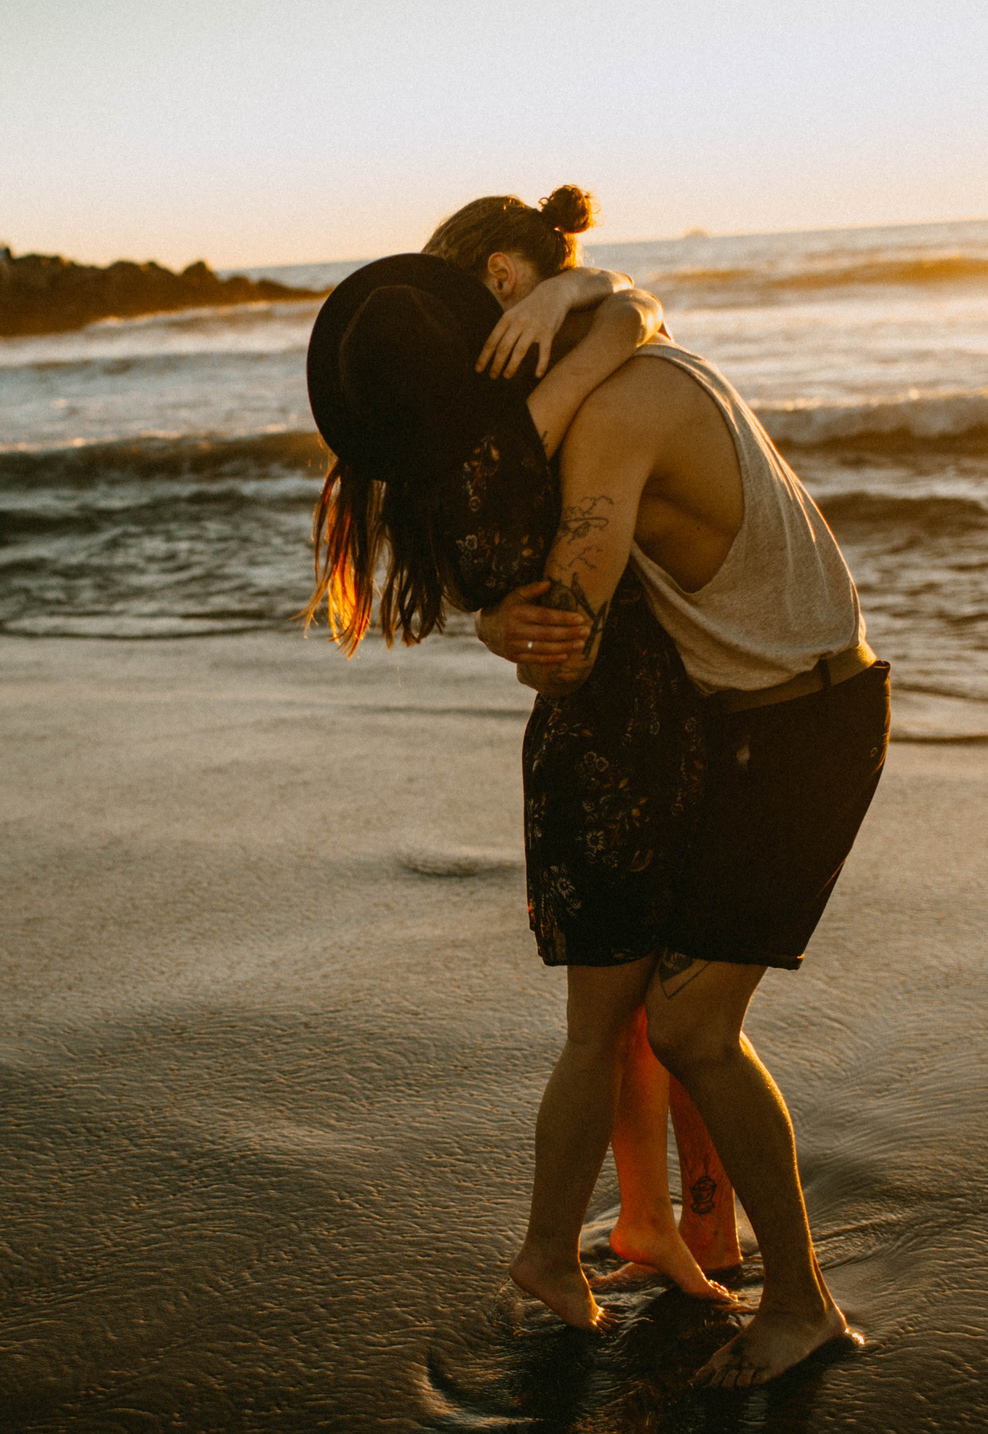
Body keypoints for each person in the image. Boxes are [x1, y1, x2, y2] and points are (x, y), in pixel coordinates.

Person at [305, 189, 739, 1332]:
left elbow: (481, 567)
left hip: (600, 733)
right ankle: (584, 1242)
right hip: (625, 732)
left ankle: (666, 1218)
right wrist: (591, 300)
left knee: (650, 1011)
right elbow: (622, 336)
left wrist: (574, 290)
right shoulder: (501, 422)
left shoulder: (439, 440)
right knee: (653, 1013)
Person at [483, 271, 889, 1387]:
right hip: (767, 720)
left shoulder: (619, 410)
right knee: (676, 1022)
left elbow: (561, 645)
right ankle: (694, 1240)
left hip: (799, 726)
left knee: (691, 1026)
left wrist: (499, 616)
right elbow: (624, 297)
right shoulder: (645, 360)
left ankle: (802, 1304)